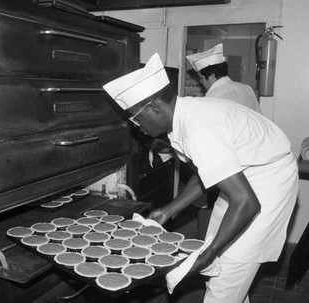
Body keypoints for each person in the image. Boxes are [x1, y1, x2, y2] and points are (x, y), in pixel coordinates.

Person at [103, 53, 298, 303]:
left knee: (231, 261)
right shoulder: (184, 116)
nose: (136, 125)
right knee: (220, 264)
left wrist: (210, 254)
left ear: (154, 106)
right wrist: (168, 210)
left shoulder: (198, 128)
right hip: (243, 176)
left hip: (268, 182)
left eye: (136, 117)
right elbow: (206, 173)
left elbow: (248, 203)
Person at [186, 43, 263, 239]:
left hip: (224, 167)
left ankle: (206, 246)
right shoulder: (246, 89)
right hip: (253, 164)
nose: (202, 84)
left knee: (213, 212)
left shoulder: (209, 102)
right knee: (241, 218)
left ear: (210, 76)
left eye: (201, 79)